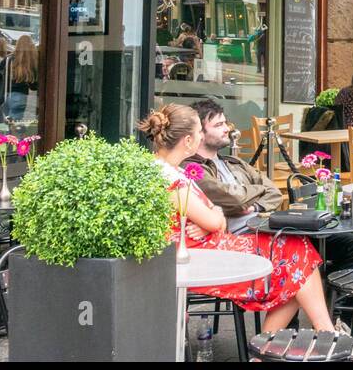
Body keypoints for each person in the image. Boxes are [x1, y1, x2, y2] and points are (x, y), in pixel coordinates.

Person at [139, 104, 340, 335]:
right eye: (198, 133)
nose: (200, 138)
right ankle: (296, 339)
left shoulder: (165, 171)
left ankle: (292, 340)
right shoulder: (171, 178)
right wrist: (213, 219)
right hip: (200, 260)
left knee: (299, 256)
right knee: (298, 260)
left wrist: (212, 218)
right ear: (187, 141)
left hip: (206, 248)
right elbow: (216, 220)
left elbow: (214, 216)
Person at [184, 98, 353, 275]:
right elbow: (235, 199)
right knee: (311, 251)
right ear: (199, 133)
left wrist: (255, 205)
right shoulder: (194, 169)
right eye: (218, 125)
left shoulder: (234, 162)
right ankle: (312, 297)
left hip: (271, 226)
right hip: (247, 237)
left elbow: (274, 192)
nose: (226, 129)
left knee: (352, 244)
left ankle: (326, 298)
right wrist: (257, 191)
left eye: (225, 123)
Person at [6, 35, 37, 121]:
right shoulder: (30, 62)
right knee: (15, 125)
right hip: (20, 95)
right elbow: (34, 85)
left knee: (5, 122)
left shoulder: (10, 59)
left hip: (6, 93)